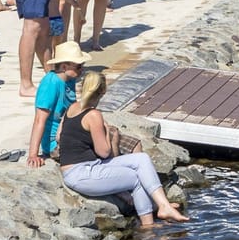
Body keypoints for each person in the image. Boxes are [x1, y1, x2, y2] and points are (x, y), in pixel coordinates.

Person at [56, 71, 191, 228]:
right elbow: (104, 152)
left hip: (81, 168)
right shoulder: (93, 115)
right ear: (103, 92)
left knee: (142, 158)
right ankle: (148, 225)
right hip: (81, 174)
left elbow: (59, 136)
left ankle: (163, 206)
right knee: (137, 178)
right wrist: (106, 131)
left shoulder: (72, 108)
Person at [25, 42, 87, 167]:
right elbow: (39, 120)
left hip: (69, 134)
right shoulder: (51, 83)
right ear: (64, 67)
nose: (82, 70)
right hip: (56, 143)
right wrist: (33, 154)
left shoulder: (70, 79)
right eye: (78, 66)